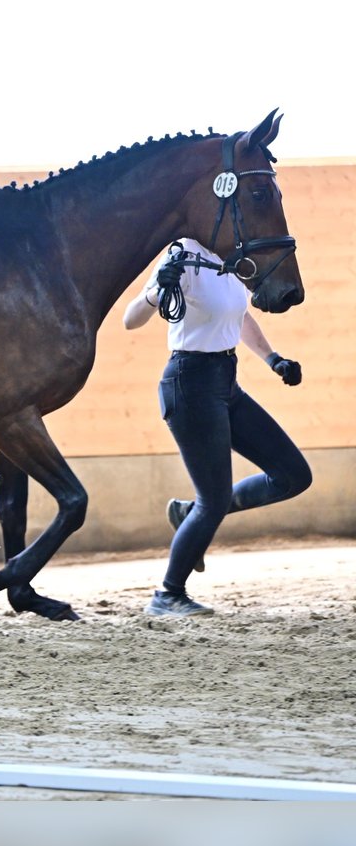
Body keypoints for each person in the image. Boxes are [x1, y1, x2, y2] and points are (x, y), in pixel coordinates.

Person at [122, 237, 312, 617]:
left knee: (293, 475)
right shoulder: (183, 255)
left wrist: (273, 359)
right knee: (215, 499)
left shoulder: (234, 258)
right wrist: (158, 288)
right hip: (189, 384)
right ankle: (167, 595)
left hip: (227, 382)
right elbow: (131, 320)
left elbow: (239, 315)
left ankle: (190, 512)